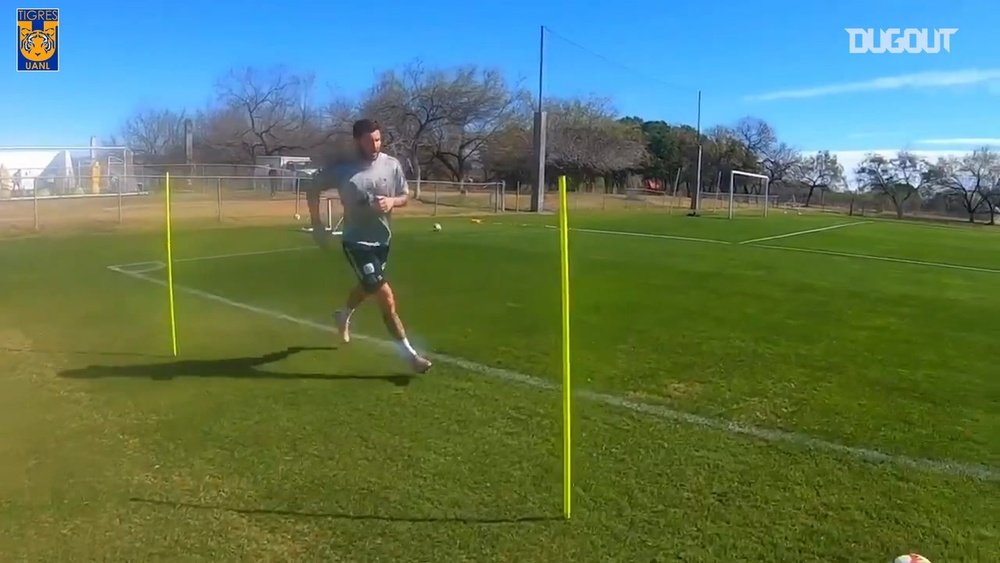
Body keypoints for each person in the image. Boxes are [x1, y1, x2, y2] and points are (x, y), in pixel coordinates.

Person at [306, 118, 433, 374]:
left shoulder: (391, 165)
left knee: (366, 286)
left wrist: (393, 203)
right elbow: (312, 190)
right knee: (384, 294)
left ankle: (342, 315)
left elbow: (405, 196)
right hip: (356, 241)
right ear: (357, 141)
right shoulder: (343, 169)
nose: (375, 145)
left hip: (382, 241)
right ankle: (410, 355)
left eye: (378, 139)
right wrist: (317, 224)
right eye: (369, 141)